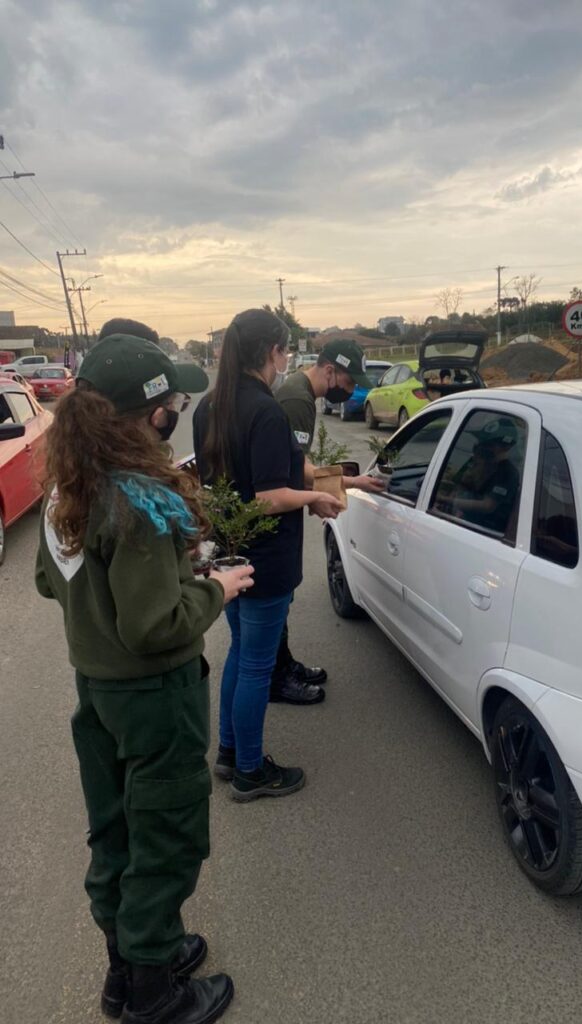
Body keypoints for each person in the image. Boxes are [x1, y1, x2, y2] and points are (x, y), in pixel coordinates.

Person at [35, 334, 253, 1024]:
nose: (177, 414)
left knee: (117, 830)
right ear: (147, 411)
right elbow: (155, 626)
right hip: (156, 696)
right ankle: (155, 995)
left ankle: (124, 967)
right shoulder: (138, 496)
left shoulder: (68, 487)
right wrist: (216, 587)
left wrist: (124, 589)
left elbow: (49, 581)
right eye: (173, 404)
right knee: (166, 836)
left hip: (95, 691)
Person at [192, 308, 343, 796]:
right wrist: (315, 498)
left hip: (230, 556)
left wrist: (337, 480)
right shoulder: (266, 410)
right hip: (268, 559)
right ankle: (252, 771)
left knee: (242, 654)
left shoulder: (210, 406)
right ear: (273, 352)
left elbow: (275, 473)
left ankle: (230, 753)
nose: (287, 358)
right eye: (285, 349)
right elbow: (269, 496)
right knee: (256, 665)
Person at [272, 339, 385, 700]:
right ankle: (277, 676)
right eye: (349, 383)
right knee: (277, 596)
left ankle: (282, 663)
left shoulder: (298, 393)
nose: (350, 391)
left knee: (282, 596)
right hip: (275, 510)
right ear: (330, 371)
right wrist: (349, 483)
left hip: (283, 505)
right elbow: (296, 469)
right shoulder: (297, 399)